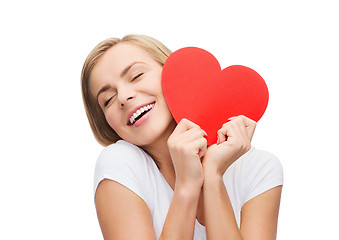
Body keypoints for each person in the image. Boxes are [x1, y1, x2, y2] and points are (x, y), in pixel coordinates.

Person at [81, 34, 283, 240]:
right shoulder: (119, 164)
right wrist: (186, 187)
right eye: (108, 99)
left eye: (136, 76)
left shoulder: (259, 168)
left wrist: (213, 176)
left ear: (171, 73)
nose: (123, 97)